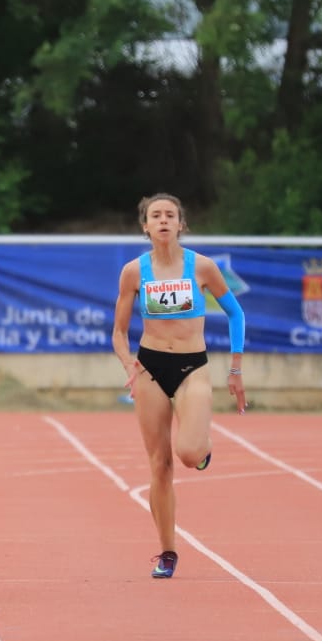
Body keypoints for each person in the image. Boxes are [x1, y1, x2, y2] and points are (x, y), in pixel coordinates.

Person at [111, 192, 246, 580]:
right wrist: (128, 363)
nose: (164, 220)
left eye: (171, 215)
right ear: (146, 226)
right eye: (156, 215)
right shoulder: (133, 273)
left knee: (187, 453)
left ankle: (200, 447)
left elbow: (235, 313)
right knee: (160, 465)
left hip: (192, 367)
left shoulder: (202, 268)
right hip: (151, 367)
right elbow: (119, 332)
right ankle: (167, 552)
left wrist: (235, 369)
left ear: (181, 224)